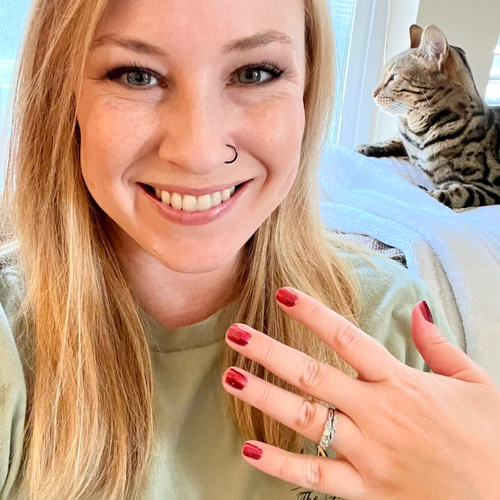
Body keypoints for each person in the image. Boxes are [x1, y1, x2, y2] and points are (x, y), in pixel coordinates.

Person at [0, 0, 497, 499]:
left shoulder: (394, 327)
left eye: (254, 73)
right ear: (62, 94)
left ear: (307, 91)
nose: (198, 154)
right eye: (136, 76)